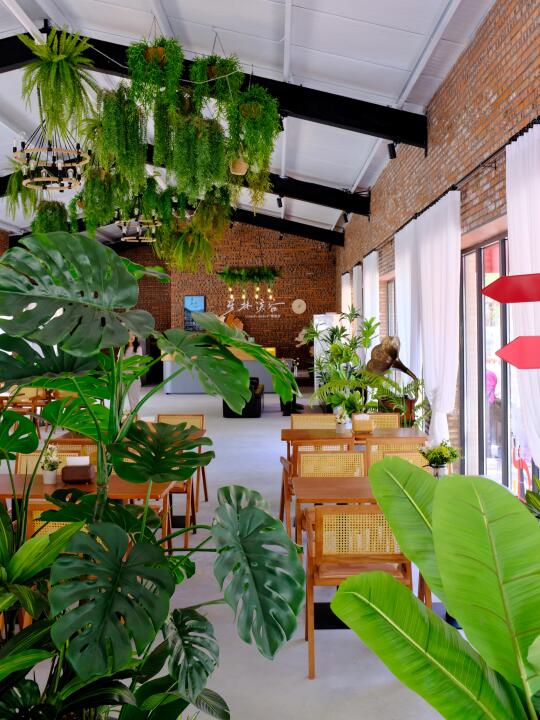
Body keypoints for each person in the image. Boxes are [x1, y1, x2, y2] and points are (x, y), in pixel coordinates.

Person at [125, 333, 142, 411]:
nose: (131, 337)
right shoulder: (123, 348)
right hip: (123, 374)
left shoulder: (138, 348)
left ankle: (134, 413)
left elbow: (137, 361)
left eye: (133, 335)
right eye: (129, 335)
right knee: (119, 395)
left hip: (133, 374)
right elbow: (118, 361)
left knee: (134, 395)